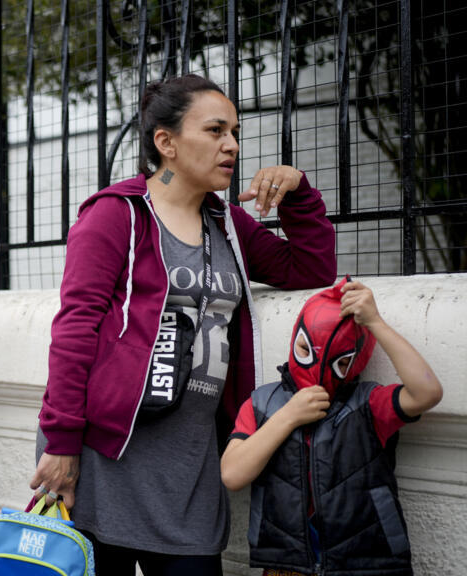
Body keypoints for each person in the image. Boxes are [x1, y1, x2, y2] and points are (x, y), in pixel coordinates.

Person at [30, 74, 337, 576]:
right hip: (104, 458)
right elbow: (74, 330)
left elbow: (310, 269)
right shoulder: (116, 216)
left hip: (190, 466)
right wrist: (61, 442)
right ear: (166, 142)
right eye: (215, 130)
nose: (231, 145)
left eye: (234, 132)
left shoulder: (228, 225)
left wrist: (298, 194)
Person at [220, 278, 442, 576]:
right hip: (287, 567)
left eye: (341, 363)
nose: (316, 371)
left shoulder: (368, 405)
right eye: (304, 349)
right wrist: (288, 417)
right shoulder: (262, 404)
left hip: (365, 566)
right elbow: (232, 475)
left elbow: (427, 393)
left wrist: (375, 322)